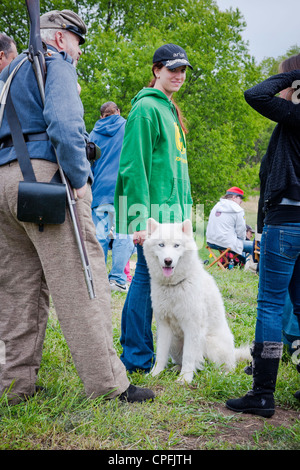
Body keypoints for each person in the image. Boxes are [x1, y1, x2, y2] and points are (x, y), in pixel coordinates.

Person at [0, 9, 154, 404]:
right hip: (44, 179)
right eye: (76, 42)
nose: (79, 52)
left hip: (4, 181)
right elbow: (65, 124)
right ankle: (109, 385)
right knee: (84, 281)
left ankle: (14, 387)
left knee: (18, 291)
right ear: (58, 38)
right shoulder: (56, 63)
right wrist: (81, 177)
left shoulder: (8, 73)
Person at [226, 53, 300, 417]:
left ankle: (262, 393)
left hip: (287, 221)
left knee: (271, 305)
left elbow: (255, 94)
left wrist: (294, 77)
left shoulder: (294, 115)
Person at [114, 43, 193, 373]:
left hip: (173, 217)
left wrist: (187, 214)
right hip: (152, 217)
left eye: (183, 70)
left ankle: (136, 350)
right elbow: (133, 166)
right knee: (146, 280)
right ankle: (135, 357)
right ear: (156, 70)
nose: (178, 75)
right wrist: (137, 217)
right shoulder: (146, 108)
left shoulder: (169, 110)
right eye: (172, 68)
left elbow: (178, 170)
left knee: (147, 280)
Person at [90, 101, 135, 293]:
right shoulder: (128, 127)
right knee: (124, 235)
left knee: (99, 236)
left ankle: (98, 278)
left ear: (101, 116)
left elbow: (89, 165)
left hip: (99, 192)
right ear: (118, 111)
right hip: (123, 190)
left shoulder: (92, 134)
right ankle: (117, 279)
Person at [206, 187, 253, 257]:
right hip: (226, 243)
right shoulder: (238, 210)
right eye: (240, 198)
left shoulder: (216, 206)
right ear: (234, 197)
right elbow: (241, 231)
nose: (241, 201)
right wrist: (243, 240)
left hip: (210, 241)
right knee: (257, 246)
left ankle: (242, 263)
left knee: (239, 244)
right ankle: (249, 264)